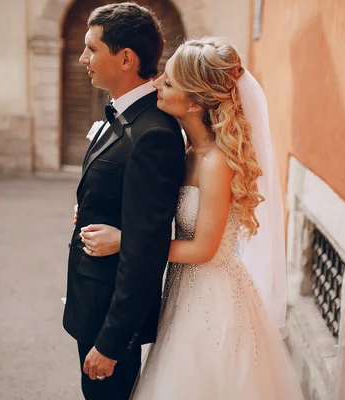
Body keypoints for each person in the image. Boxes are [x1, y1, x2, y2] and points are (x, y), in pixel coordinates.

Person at [80, 37, 303, 399]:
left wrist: (127, 240)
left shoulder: (215, 163)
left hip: (212, 296)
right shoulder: (186, 149)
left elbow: (204, 250)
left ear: (196, 102)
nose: (155, 86)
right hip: (183, 288)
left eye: (168, 83)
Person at [62, 3, 185, 399]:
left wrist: (113, 343)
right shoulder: (124, 115)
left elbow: (146, 251)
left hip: (110, 319)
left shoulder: (153, 134)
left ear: (127, 58)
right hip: (91, 299)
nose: (83, 59)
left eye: (91, 49)